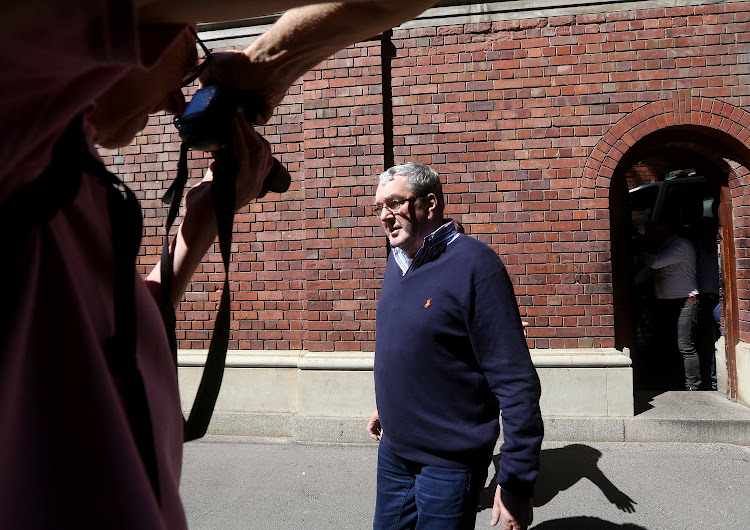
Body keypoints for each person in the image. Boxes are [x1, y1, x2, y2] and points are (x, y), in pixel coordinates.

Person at [1, 1, 438, 526]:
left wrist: (202, 226)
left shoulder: (58, 173)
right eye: (191, 55)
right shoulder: (12, 119)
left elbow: (105, 337)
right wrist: (269, 61)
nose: (177, 100)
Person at [366, 162, 543, 530]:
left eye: (395, 204)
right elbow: (410, 346)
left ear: (429, 204)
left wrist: (515, 483)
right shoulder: (396, 262)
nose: (385, 216)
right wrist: (385, 404)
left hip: (449, 463)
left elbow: (516, 383)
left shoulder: (477, 265)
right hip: (394, 453)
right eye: (379, 207)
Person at [638, 219, 701, 390]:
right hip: (667, 305)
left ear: (665, 230)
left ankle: (692, 387)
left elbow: (655, 262)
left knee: (685, 346)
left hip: (685, 304)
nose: (650, 236)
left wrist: (640, 251)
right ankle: (673, 382)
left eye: (653, 233)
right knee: (669, 345)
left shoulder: (681, 245)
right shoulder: (664, 247)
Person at [695, 218, 721, 390]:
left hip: (720, 301)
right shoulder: (698, 253)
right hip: (704, 300)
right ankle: (709, 380)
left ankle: (717, 381)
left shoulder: (720, 251)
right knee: (706, 343)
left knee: (721, 340)